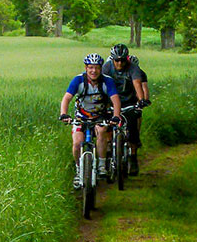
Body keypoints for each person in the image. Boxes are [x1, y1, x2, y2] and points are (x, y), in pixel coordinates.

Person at [59, 53, 122, 188]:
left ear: (101, 69)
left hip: (100, 116)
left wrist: (116, 116)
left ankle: (101, 165)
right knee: (77, 142)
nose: (94, 71)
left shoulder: (107, 81)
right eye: (91, 67)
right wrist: (64, 114)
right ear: (86, 68)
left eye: (97, 68)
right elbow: (67, 98)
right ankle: (78, 170)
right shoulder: (78, 80)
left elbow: (115, 100)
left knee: (101, 131)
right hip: (81, 116)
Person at [102, 43, 152, 175]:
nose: (120, 63)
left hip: (128, 102)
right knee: (105, 124)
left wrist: (141, 100)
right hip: (112, 102)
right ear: (112, 59)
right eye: (117, 60)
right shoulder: (106, 67)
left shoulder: (133, 68)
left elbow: (137, 84)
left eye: (122, 60)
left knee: (132, 127)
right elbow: (101, 85)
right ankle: (108, 149)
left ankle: (133, 156)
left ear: (127, 59)